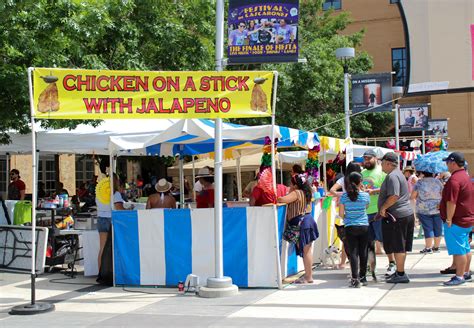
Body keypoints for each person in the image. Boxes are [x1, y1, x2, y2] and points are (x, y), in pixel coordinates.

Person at [378, 152, 415, 284]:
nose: (381, 166)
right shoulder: (398, 174)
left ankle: (400, 273)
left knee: (399, 246)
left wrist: (383, 208)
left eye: (381, 163)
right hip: (404, 214)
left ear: (388, 163)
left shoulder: (393, 176)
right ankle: (399, 272)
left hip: (398, 216)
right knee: (401, 246)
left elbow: (394, 195)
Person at [439, 152, 473, 286]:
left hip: (457, 221)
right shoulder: (465, 176)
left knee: (459, 251)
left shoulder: (454, 180)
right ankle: (465, 273)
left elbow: (451, 202)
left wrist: (449, 218)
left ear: (453, 163)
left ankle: (459, 276)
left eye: (447, 162)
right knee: (465, 249)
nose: (446, 165)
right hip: (466, 219)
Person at [278, 174, 319, 284]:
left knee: (306, 251)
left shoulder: (296, 193)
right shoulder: (307, 192)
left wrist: (289, 191)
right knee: (307, 250)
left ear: (295, 185)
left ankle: (308, 277)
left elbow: (282, 199)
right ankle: (308, 275)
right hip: (308, 221)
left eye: (291, 183)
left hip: (302, 223)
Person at [361, 150, 392, 274]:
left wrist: (374, 191)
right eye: (365, 159)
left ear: (375, 159)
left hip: (379, 211)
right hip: (365, 212)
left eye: (369, 158)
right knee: (368, 242)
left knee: (384, 239)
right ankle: (371, 265)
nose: (367, 161)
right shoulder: (362, 173)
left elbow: (387, 189)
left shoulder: (382, 172)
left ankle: (392, 263)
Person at [339, 172, 371, 288]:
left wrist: (348, 217)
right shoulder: (365, 196)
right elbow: (366, 207)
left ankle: (355, 278)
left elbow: (341, 214)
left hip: (350, 226)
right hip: (363, 225)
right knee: (363, 251)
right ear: (360, 182)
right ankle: (363, 276)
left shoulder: (343, 197)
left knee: (353, 252)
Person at [329, 161, 362, 269]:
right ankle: (360, 263)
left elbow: (332, 190)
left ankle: (343, 262)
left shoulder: (343, 180)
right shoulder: (359, 179)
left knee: (347, 239)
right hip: (360, 211)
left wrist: (343, 195)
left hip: (347, 211)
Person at [96, 174, 128, 271]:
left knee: (102, 248)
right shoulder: (115, 193)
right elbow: (119, 208)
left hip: (101, 218)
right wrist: (128, 210)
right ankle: (113, 272)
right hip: (111, 219)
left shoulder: (99, 193)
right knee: (115, 247)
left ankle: (100, 272)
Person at [411, 171, 444, 253]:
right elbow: (443, 194)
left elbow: (413, 196)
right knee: (438, 227)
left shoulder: (419, 183)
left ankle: (428, 247)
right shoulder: (438, 182)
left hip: (423, 209)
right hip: (437, 208)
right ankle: (436, 247)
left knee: (428, 228)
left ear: (423, 173)